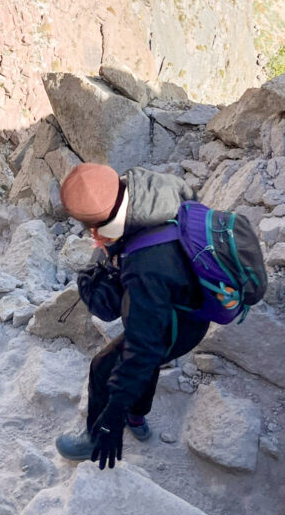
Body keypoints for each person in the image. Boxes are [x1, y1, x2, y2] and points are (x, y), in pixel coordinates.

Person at [55, 163, 211, 470]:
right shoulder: (151, 186)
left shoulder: (145, 267)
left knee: (104, 366)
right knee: (147, 355)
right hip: (189, 301)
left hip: (180, 323)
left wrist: (111, 418)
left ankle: (93, 436)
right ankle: (137, 418)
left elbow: (142, 350)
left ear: (94, 225)